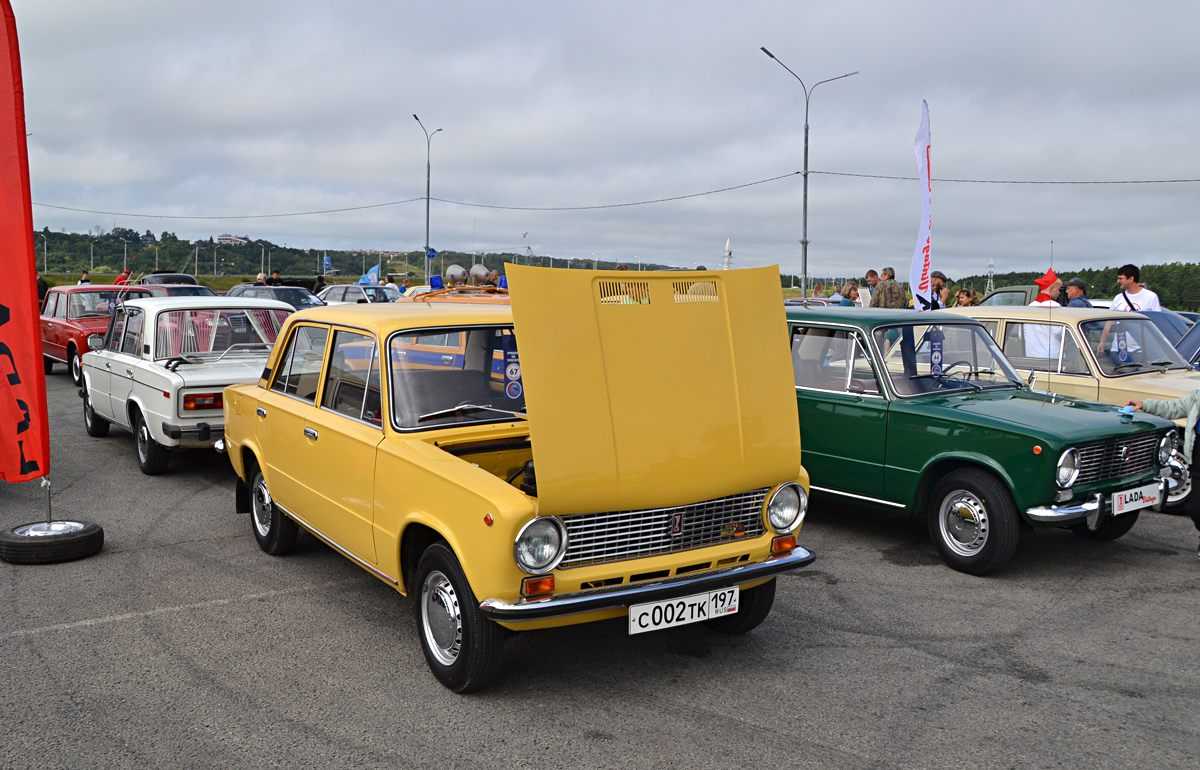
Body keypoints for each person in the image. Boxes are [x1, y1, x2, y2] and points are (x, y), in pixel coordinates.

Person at [1126, 391, 1200, 559]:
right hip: (1198, 459)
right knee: (1196, 508)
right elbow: (1172, 409)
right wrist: (1145, 405)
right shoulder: (1198, 397)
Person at [1098, 264, 1161, 363]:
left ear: (1131, 279)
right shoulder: (1118, 298)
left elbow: (1156, 324)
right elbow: (1110, 323)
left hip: (1140, 350)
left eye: (1120, 278)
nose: (1118, 281)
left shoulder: (1151, 297)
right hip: (1118, 349)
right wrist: (1102, 342)